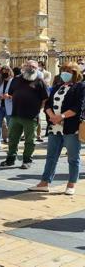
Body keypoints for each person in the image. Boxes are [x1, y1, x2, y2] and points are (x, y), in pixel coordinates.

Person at [29, 62, 84, 195]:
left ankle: (71, 184)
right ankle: (44, 183)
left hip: (70, 128)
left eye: (68, 71)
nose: (65, 73)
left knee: (73, 157)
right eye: (63, 70)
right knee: (51, 156)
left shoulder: (80, 87)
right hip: (54, 127)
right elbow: (48, 103)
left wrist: (62, 116)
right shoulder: (57, 86)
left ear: (75, 73)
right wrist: (52, 116)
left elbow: (79, 107)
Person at [0, 60, 48, 169]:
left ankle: (27, 160)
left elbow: (45, 99)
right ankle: (10, 159)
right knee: (12, 138)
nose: (30, 68)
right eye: (28, 66)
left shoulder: (40, 81)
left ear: (37, 69)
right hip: (15, 115)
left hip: (31, 117)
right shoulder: (16, 80)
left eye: (33, 66)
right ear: (23, 67)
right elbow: (11, 94)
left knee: (30, 140)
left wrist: (37, 109)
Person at [0, 65, 14, 151]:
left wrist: (9, 96)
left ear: (9, 71)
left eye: (6, 71)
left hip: (10, 106)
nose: (4, 73)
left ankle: (11, 143)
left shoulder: (13, 81)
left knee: (10, 126)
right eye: (3, 71)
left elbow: (16, 93)